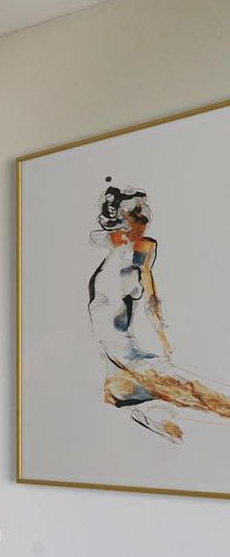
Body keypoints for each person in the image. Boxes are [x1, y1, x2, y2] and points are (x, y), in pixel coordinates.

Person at [86, 179, 230, 442]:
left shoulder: (143, 250)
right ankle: (152, 408)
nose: (145, 219)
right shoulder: (111, 258)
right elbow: (109, 327)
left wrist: (165, 343)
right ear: (123, 219)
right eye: (137, 213)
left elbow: (152, 301)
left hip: (129, 363)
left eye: (145, 212)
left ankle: (153, 411)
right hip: (121, 358)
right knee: (199, 395)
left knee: (191, 397)